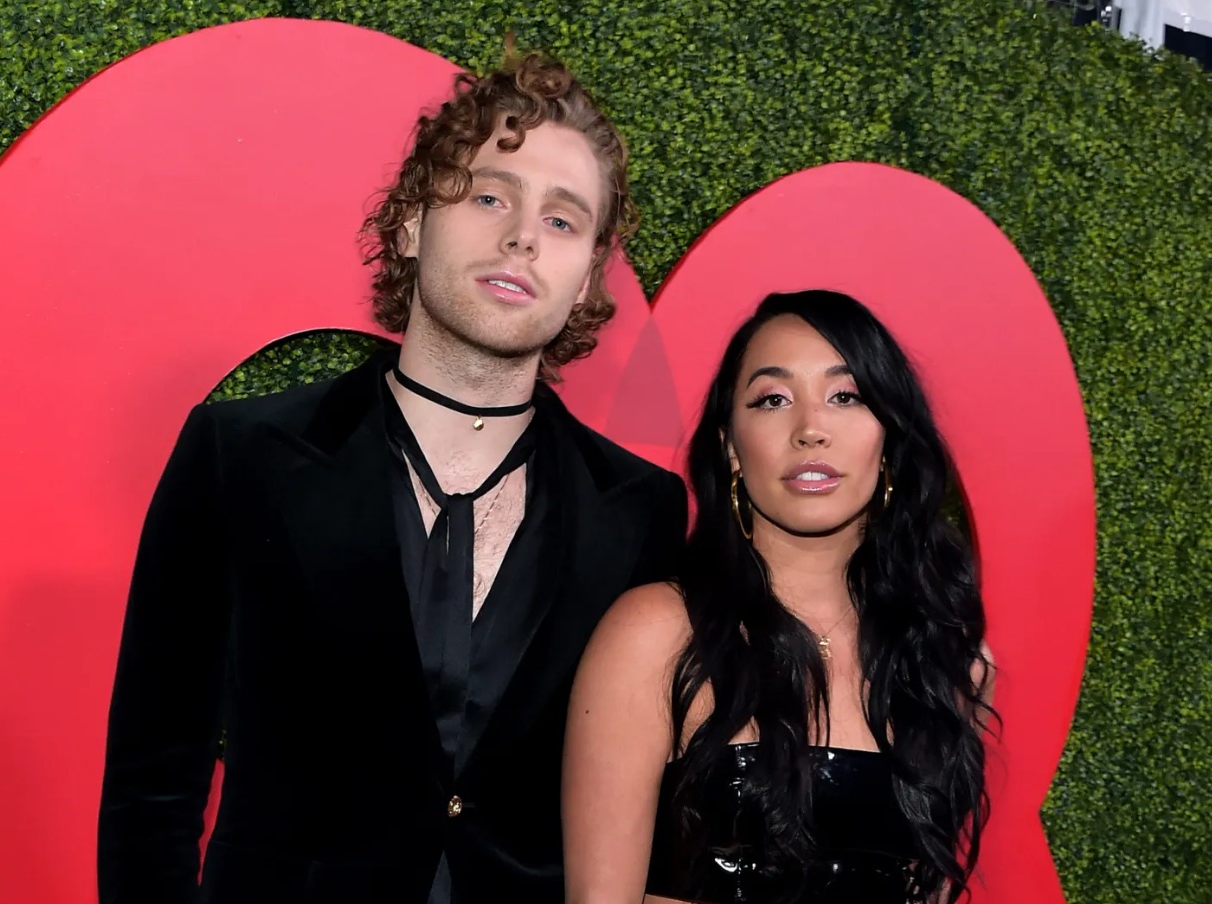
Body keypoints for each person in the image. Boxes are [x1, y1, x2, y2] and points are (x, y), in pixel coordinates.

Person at [97, 50, 687, 904]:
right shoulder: (240, 456)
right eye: (490, 196)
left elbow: (651, 804)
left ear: (589, 276)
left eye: (563, 220)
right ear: (411, 221)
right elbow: (154, 778)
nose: (523, 236)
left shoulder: (641, 511)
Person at [562, 290, 997, 904]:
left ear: (890, 441)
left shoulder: (950, 666)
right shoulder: (656, 635)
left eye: (846, 396)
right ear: (731, 448)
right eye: (773, 399)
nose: (811, 429)